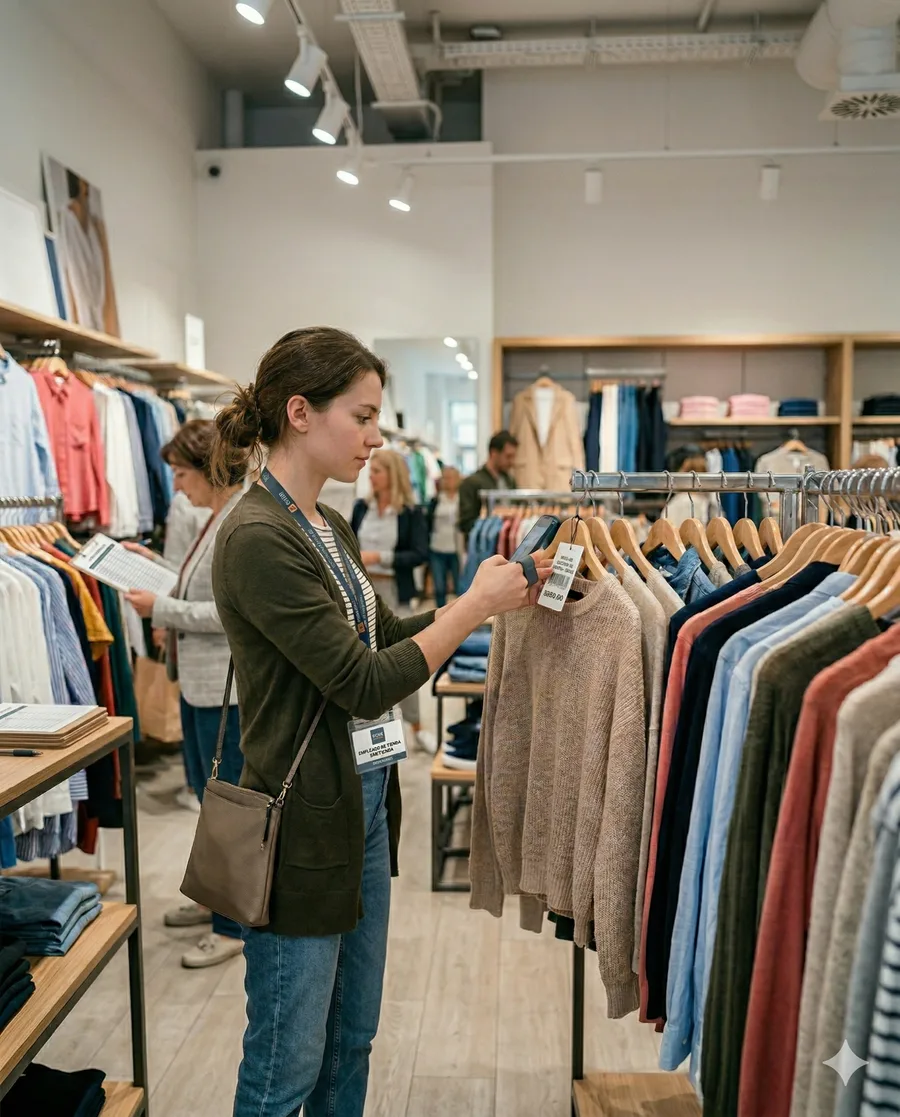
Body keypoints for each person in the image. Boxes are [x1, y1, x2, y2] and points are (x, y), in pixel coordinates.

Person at [207, 326, 549, 1117]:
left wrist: (482, 606)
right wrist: (468, 608)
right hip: (299, 825)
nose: (374, 438)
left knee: (351, 1038)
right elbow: (362, 682)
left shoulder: (325, 526)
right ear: (300, 411)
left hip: (358, 804)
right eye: (360, 417)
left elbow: (382, 637)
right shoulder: (257, 537)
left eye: (377, 421)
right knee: (284, 1063)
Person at [122, 420, 246, 970]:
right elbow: (197, 586)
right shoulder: (214, 520)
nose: (175, 487)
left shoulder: (235, 523)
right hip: (203, 687)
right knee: (206, 794)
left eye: (179, 473)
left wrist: (161, 610)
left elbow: (232, 612)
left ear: (208, 469)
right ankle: (214, 899)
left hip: (227, 690)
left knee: (226, 807)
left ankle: (232, 921)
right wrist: (149, 569)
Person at [350, 449, 434, 753]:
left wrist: (380, 557)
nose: (370, 476)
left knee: (403, 658)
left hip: (394, 591)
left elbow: (420, 554)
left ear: (392, 475)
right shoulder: (362, 508)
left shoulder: (410, 512)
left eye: (377, 471)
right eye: (370, 470)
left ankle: (416, 726)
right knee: (363, 659)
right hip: (362, 591)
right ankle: (371, 731)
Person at [457, 430, 518, 539]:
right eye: (508, 456)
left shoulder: (510, 481)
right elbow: (466, 523)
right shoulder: (471, 483)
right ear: (494, 453)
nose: (512, 462)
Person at [428, 464, 462, 609]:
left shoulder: (462, 499)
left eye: (450, 478)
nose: (447, 481)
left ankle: (460, 614)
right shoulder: (435, 500)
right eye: (445, 478)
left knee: (459, 585)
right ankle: (439, 615)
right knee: (439, 586)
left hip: (456, 548)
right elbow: (428, 522)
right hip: (437, 547)